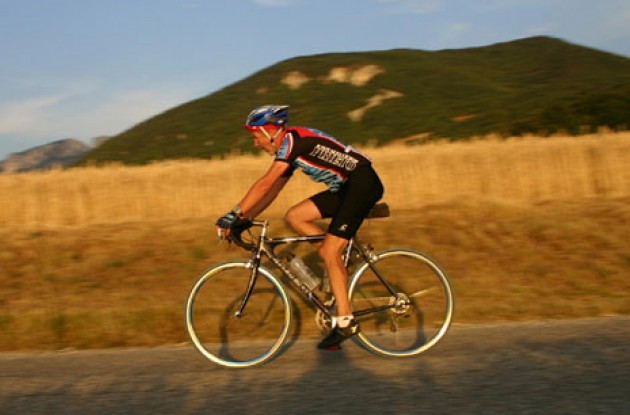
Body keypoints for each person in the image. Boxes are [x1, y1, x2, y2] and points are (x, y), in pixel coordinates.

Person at [215, 105, 384, 349]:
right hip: (346, 189)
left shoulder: (294, 142)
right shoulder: (289, 148)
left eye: (256, 137)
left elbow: (264, 184)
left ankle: (346, 321)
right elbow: (272, 191)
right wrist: (246, 218)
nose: (255, 144)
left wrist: (232, 214)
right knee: (295, 216)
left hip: (362, 185)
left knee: (329, 252)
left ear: (271, 131)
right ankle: (338, 260)